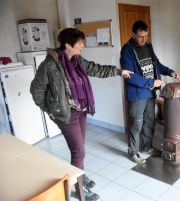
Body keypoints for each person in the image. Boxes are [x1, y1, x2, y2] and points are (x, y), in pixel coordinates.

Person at [30, 28, 133, 201]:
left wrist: (118, 71)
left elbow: (95, 69)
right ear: (67, 45)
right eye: (79, 43)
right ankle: (78, 188)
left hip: (81, 110)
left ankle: (80, 176)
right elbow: (36, 90)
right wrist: (48, 110)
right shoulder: (49, 65)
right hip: (65, 114)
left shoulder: (77, 60)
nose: (82, 46)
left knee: (79, 149)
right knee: (79, 150)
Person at [120, 20, 180, 165]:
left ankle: (146, 147)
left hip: (149, 93)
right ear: (133, 34)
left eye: (146, 36)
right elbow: (129, 75)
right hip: (137, 94)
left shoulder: (148, 46)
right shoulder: (127, 50)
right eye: (140, 37)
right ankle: (133, 152)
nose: (144, 40)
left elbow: (156, 65)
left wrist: (170, 71)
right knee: (136, 124)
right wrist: (151, 82)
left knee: (150, 121)